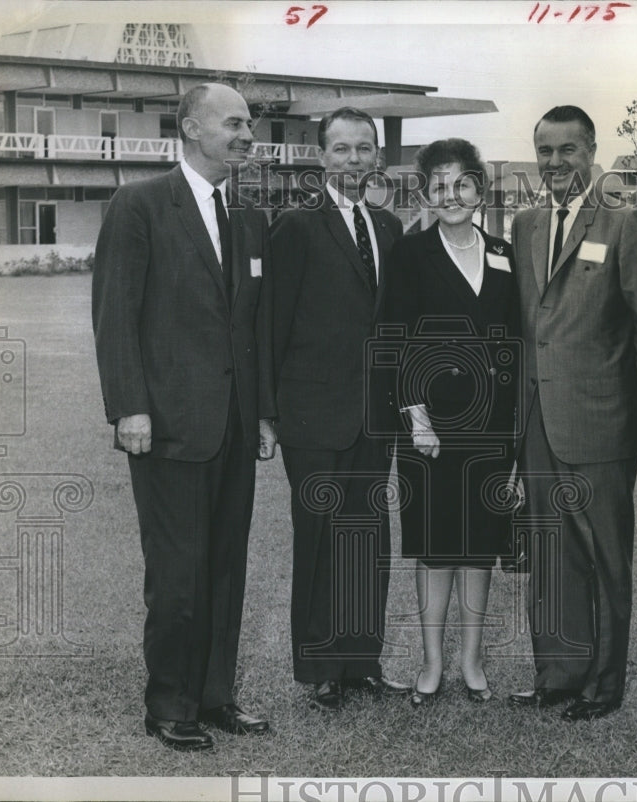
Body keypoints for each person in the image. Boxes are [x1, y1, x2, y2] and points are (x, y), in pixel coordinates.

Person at [92, 83, 276, 751]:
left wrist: (262, 416)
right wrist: (129, 407)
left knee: (226, 567)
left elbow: (249, 330)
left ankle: (215, 697)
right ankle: (170, 704)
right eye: (233, 123)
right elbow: (116, 315)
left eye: (249, 123)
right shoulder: (139, 205)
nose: (246, 134)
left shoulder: (249, 218)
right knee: (177, 571)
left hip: (234, 426)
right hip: (166, 426)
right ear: (192, 128)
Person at [508, 106, 637, 721]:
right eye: (545, 151)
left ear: (592, 151)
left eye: (568, 150)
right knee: (548, 553)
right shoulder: (523, 224)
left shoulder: (625, 224)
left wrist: (623, 400)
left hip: (600, 421)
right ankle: (558, 674)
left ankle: (603, 684)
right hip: (538, 421)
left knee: (602, 556)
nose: (555, 163)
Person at [271, 107, 407, 712]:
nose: (354, 160)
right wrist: (268, 414)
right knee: (321, 539)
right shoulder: (296, 227)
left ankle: (362, 661)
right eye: (341, 149)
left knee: (368, 539)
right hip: (312, 415)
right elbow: (272, 325)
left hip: (374, 417)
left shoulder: (389, 228)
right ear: (322, 156)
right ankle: (323, 669)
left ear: (375, 155)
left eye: (363, 149)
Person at [380, 139, 520, 707]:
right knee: (435, 548)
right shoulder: (410, 254)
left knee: (479, 547)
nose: (451, 195)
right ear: (426, 195)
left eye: (462, 183)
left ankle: (473, 661)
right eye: (439, 186)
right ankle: (433, 664)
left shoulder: (504, 251)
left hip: (492, 428)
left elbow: (514, 338)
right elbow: (394, 341)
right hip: (430, 431)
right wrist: (418, 419)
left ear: (480, 192)